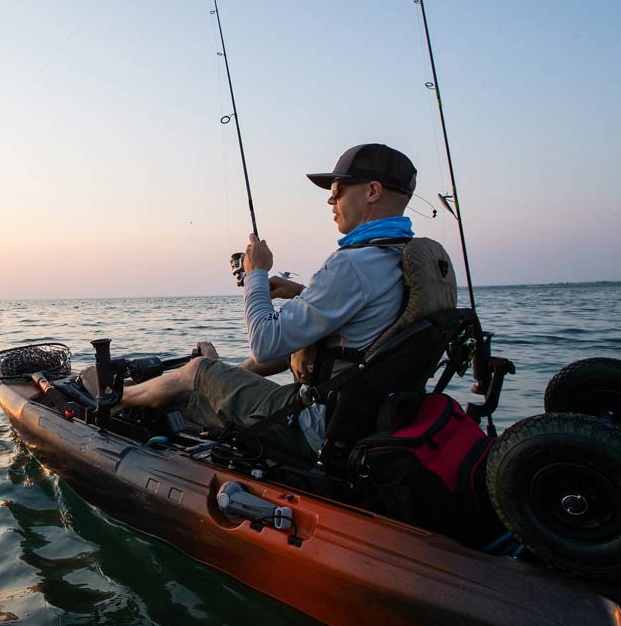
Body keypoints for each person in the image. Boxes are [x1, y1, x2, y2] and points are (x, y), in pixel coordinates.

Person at [116, 143, 418, 461]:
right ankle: (222, 379)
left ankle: (120, 397)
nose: (331, 198)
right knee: (296, 346)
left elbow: (264, 344)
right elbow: (373, 320)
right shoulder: (407, 257)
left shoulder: (354, 263)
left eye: (338, 188)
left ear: (372, 191)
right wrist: (303, 292)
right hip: (374, 416)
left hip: (320, 426)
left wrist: (256, 274)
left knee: (197, 370)